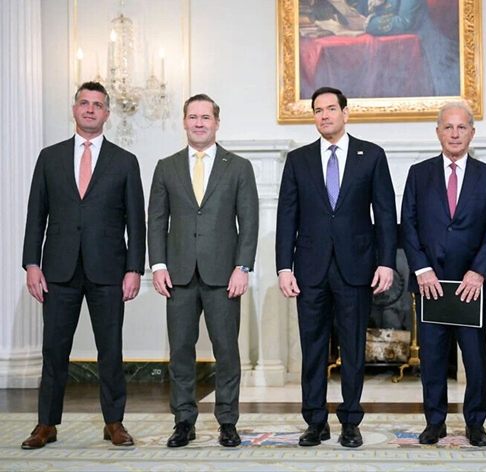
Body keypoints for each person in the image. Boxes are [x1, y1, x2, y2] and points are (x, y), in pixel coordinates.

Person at [21, 81, 146, 449]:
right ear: (75, 109)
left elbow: (135, 221)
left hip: (109, 269)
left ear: (107, 113)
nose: (90, 109)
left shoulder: (125, 161)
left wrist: (134, 269)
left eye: (97, 105)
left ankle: (114, 422)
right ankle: (46, 424)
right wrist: (31, 263)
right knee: (54, 349)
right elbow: (36, 214)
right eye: (84, 103)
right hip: (58, 270)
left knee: (111, 349)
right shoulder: (50, 157)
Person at [276, 86, 398, 448]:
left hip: (356, 267)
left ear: (346, 113)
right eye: (318, 110)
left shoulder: (371, 155)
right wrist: (284, 267)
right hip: (309, 269)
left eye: (331, 109)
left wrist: (386, 262)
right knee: (312, 348)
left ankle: (350, 421)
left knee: (353, 347)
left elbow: (385, 213)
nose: (324, 115)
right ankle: (315, 421)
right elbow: (287, 217)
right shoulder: (298, 160)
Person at [148, 94, 259, 448]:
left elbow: (249, 222)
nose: (199, 123)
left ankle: (227, 421)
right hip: (178, 275)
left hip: (224, 275)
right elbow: (156, 220)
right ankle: (184, 422)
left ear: (217, 123)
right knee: (181, 351)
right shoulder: (166, 167)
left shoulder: (238, 167)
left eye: (205, 117)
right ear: (184, 122)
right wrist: (158, 265)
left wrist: (243, 267)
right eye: (193, 117)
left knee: (226, 350)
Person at [401, 101, 486, 447]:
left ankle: (475, 423)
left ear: (472, 133)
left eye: (462, 127)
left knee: (475, 359)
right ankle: (435, 421)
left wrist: (479, 272)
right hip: (430, 285)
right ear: (438, 132)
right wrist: (421, 269)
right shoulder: (419, 174)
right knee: (431, 358)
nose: (455, 134)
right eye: (448, 127)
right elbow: (408, 224)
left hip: (471, 286)